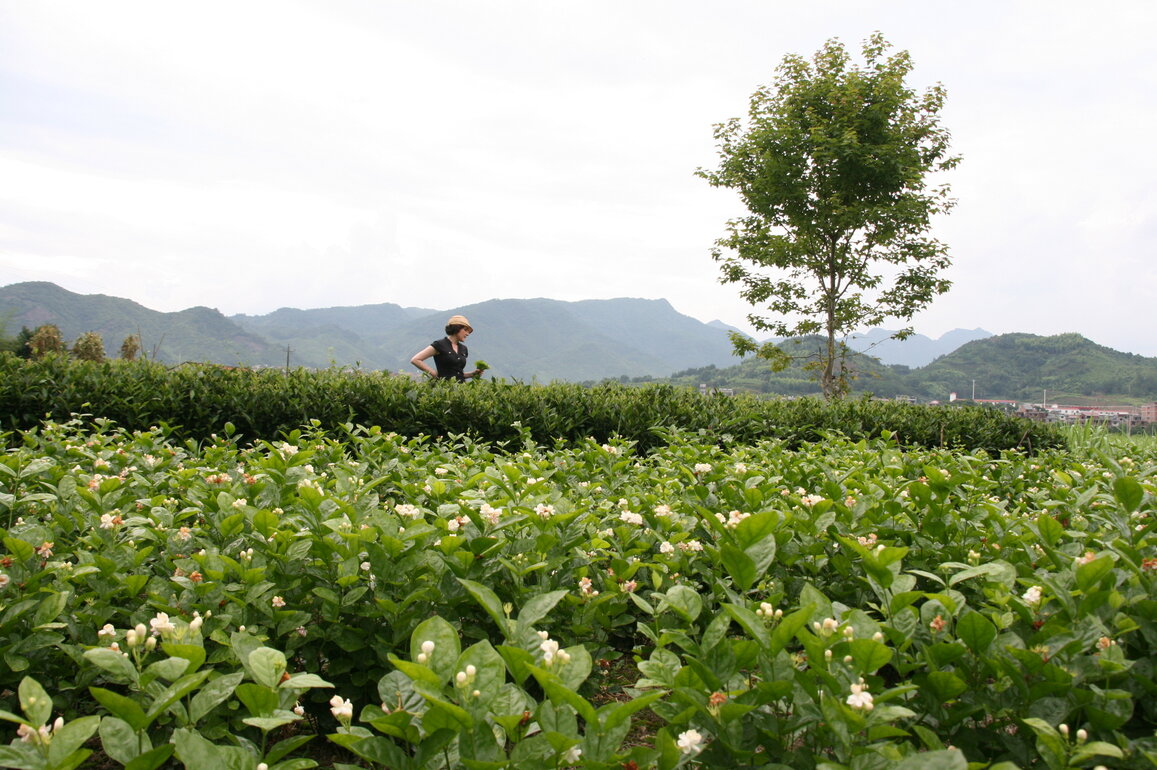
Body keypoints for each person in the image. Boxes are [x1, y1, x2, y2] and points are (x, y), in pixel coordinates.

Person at [410, 315, 483, 382]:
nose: (467, 334)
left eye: (468, 332)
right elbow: (416, 360)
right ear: (457, 328)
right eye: (465, 330)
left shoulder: (463, 349)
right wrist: (435, 374)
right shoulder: (440, 345)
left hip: (461, 390)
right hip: (444, 390)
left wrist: (472, 374)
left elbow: (457, 373)